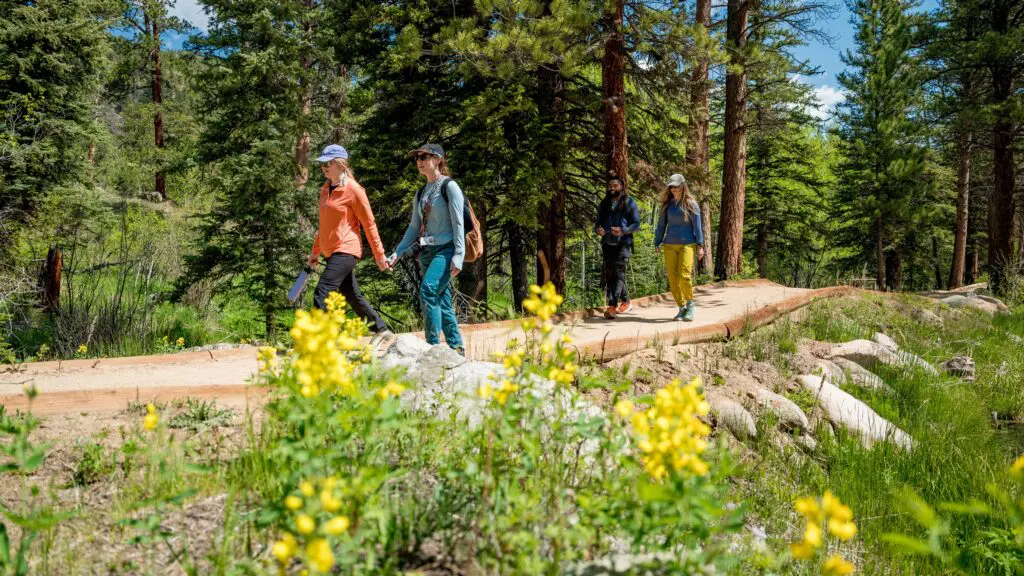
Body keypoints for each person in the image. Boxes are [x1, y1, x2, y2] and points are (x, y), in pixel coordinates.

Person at [307, 144, 393, 343]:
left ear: (340, 164)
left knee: (323, 290)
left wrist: (379, 255)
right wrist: (315, 252)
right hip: (331, 251)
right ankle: (381, 330)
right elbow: (324, 225)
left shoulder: (353, 189)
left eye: (328, 163)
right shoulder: (325, 189)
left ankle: (323, 340)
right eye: (322, 164)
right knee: (351, 294)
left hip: (346, 249)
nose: (323, 167)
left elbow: (369, 224)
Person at [387, 143, 466, 355]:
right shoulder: (421, 192)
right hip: (426, 252)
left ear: (438, 160)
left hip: (446, 250)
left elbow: (458, 223)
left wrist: (459, 255)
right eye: (417, 158)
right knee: (442, 299)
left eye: (425, 157)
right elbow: (414, 227)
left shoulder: (449, 187)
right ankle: (457, 348)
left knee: (428, 290)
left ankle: (432, 347)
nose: (419, 161)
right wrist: (397, 252)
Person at [654, 173, 705, 321]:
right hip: (669, 244)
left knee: (684, 276)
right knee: (672, 278)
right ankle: (681, 307)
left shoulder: (691, 204)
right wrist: (657, 242)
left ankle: (690, 304)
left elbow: (698, 227)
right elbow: (661, 225)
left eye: (677, 186)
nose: (674, 189)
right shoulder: (667, 205)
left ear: (683, 186)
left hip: (687, 244)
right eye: (672, 187)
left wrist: (700, 245)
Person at [594, 176, 641, 320]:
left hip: (623, 243)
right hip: (607, 243)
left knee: (618, 272)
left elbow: (636, 224)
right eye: (610, 186)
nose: (612, 188)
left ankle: (612, 306)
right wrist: (598, 230)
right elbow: (597, 223)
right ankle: (626, 301)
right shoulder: (604, 203)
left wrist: (623, 230)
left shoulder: (629, 202)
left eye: (615, 185)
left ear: (622, 187)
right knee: (612, 273)